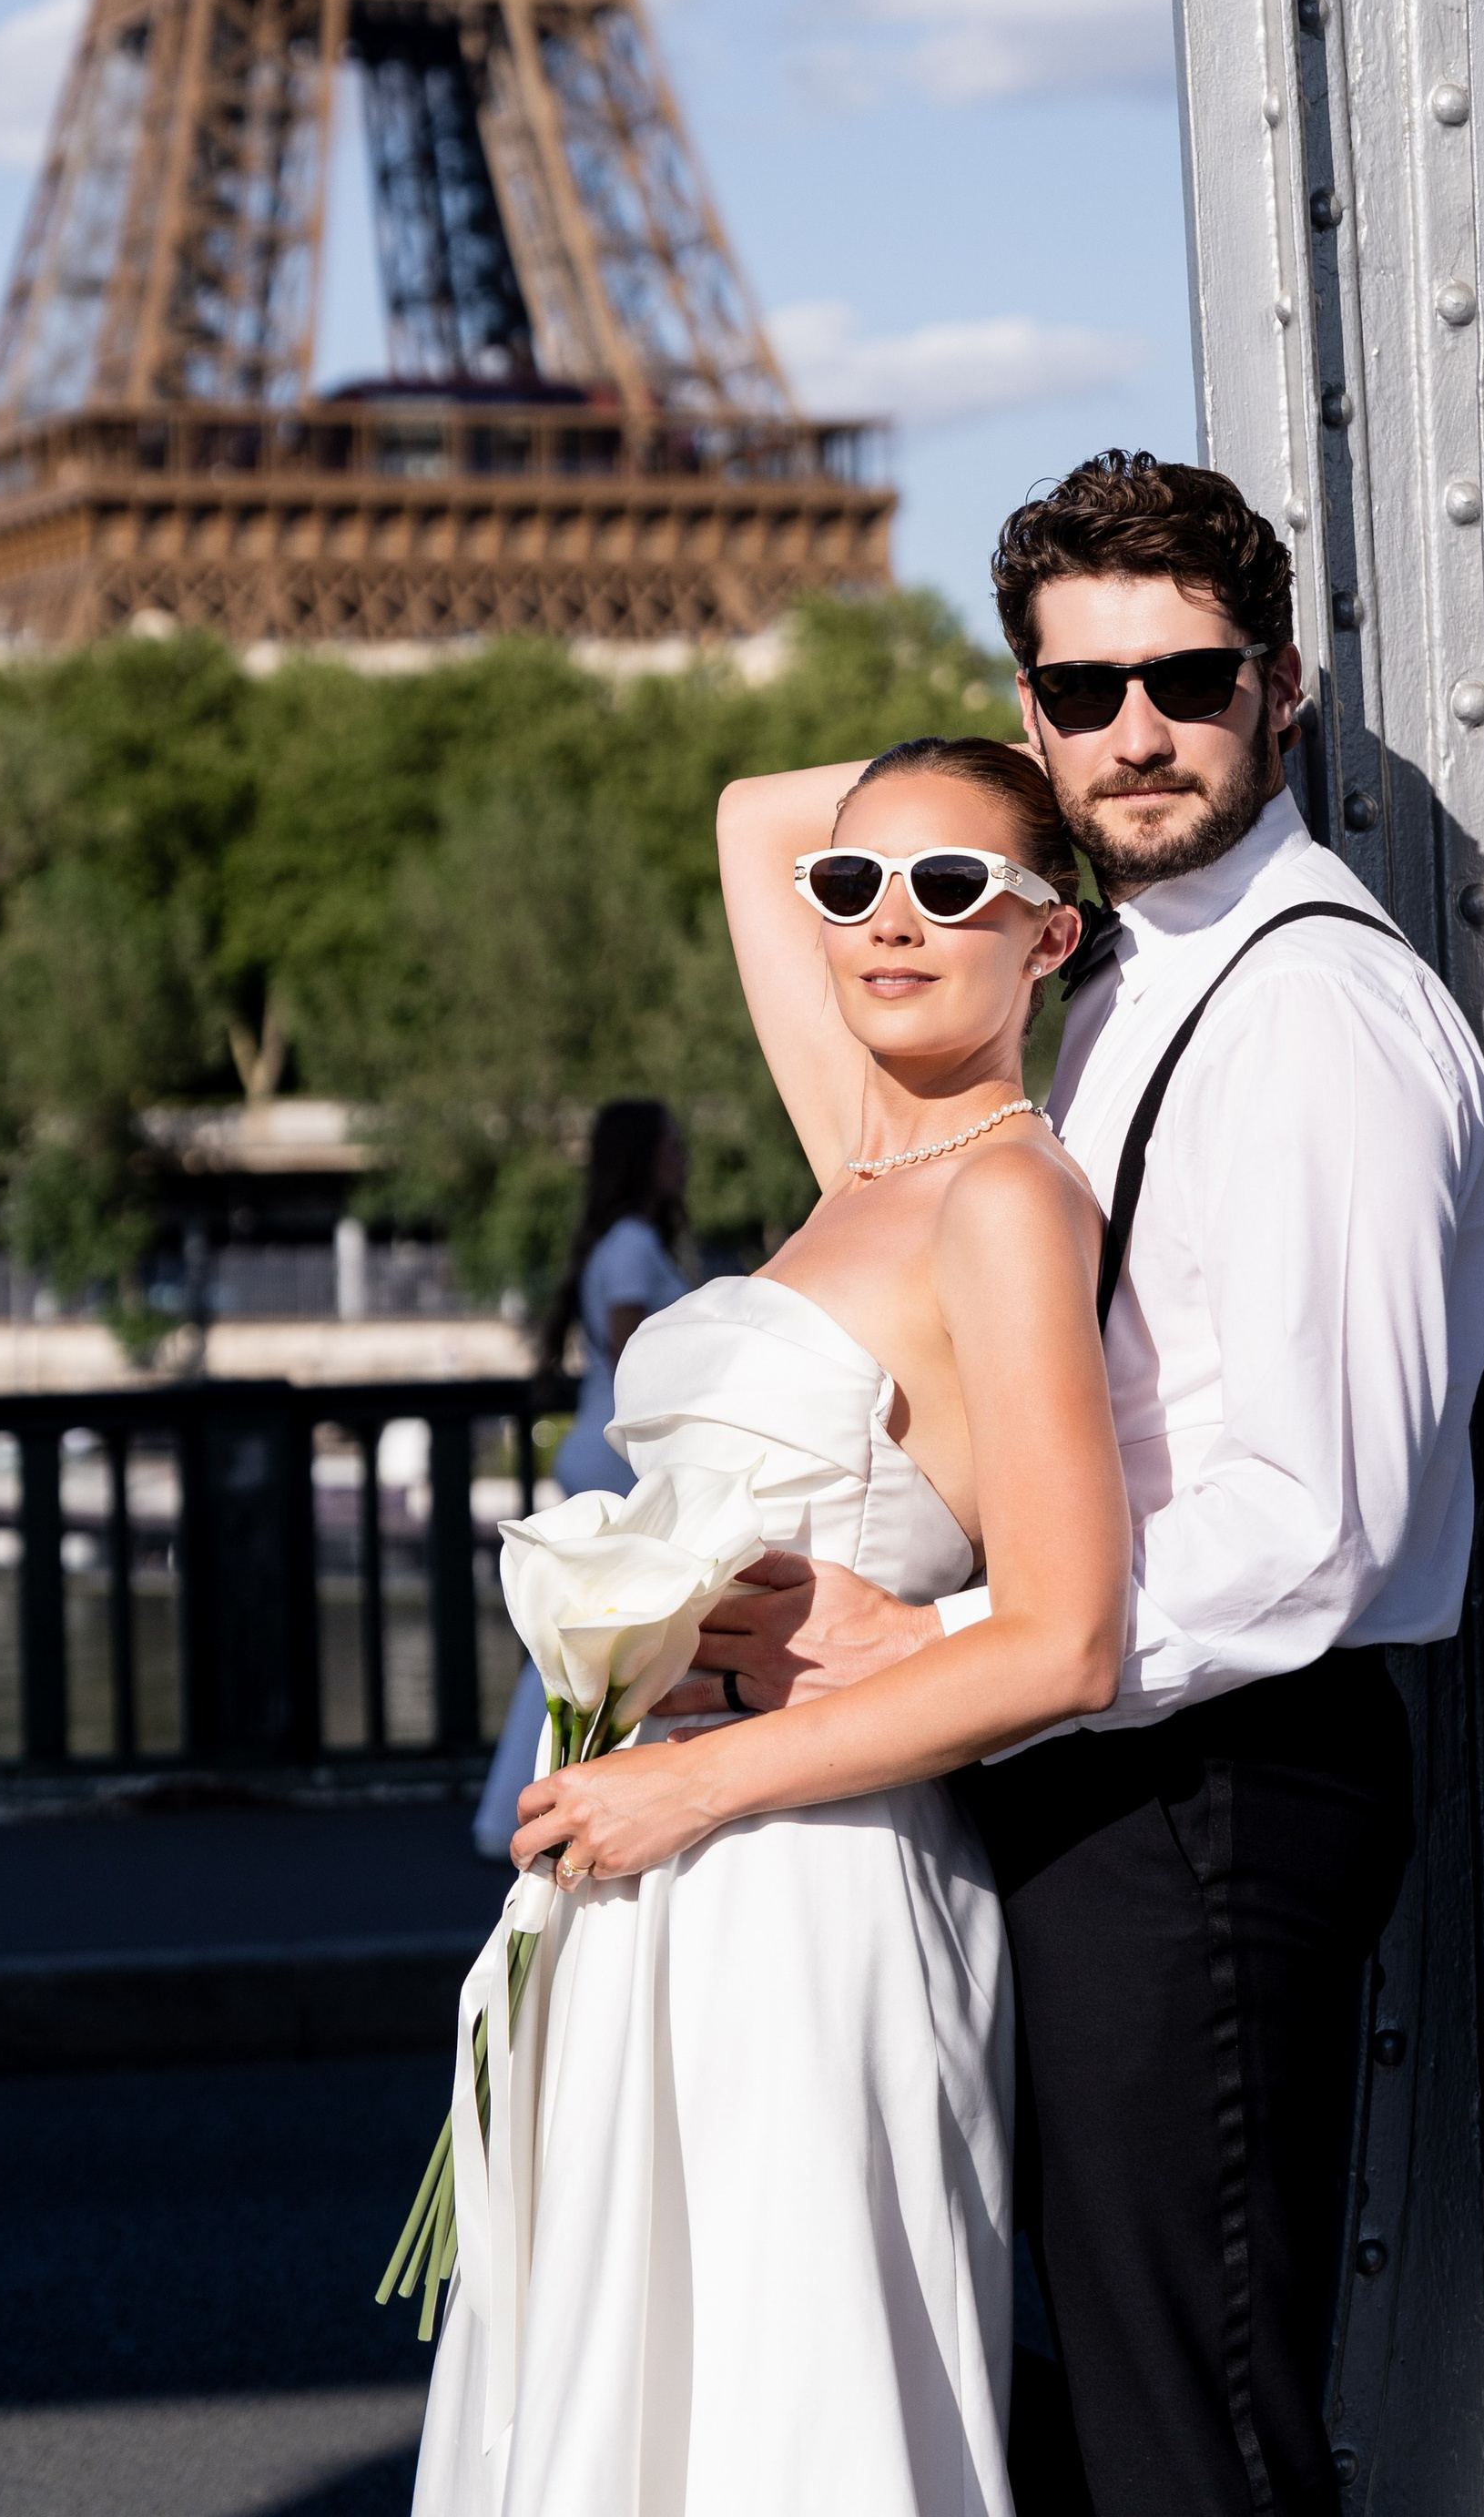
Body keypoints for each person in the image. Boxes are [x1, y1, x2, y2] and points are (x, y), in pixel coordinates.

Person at [647, 452, 1484, 2517]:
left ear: (1276, 690)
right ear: (1023, 710)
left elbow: (1324, 1521)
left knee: (1182, 2424)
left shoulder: (1309, 1011)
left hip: (1205, 1777)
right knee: (1047, 2375)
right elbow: (773, 825)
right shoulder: (1088, 973)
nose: (1135, 730)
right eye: (1079, 689)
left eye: (1185, 680)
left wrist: (940, 1642)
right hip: (1086, 1749)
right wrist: (990, 818)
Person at [413, 738, 1129, 2517]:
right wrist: (1052, 750)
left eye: (952, 888)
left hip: (804, 1885)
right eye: (856, 886)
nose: (888, 920)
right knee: (634, 2426)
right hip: (650, 1877)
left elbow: (1064, 1641)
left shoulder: (1003, 1197)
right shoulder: (854, 1168)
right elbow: (747, 812)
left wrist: (690, 1793)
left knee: (790, 2435)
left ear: (1046, 940)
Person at [470, 1101, 692, 1860]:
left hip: (598, 1447)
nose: (682, 1159)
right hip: (622, 1454)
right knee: (579, 1641)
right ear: (646, 1156)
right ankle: (517, 1808)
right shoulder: (633, 1247)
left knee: (577, 1636)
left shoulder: (618, 1243)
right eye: (672, 1146)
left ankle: (523, 1802)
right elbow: (641, 1357)